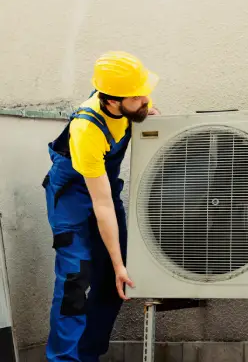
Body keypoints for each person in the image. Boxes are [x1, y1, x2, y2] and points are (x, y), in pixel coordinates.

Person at [42, 51, 160, 361]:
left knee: (115, 282)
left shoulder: (124, 104)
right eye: (137, 97)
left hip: (103, 191)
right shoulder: (87, 129)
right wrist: (118, 261)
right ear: (111, 101)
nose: (145, 98)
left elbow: (107, 197)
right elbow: (102, 204)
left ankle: (87, 355)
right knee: (75, 283)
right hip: (73, 199)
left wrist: (143, 114)